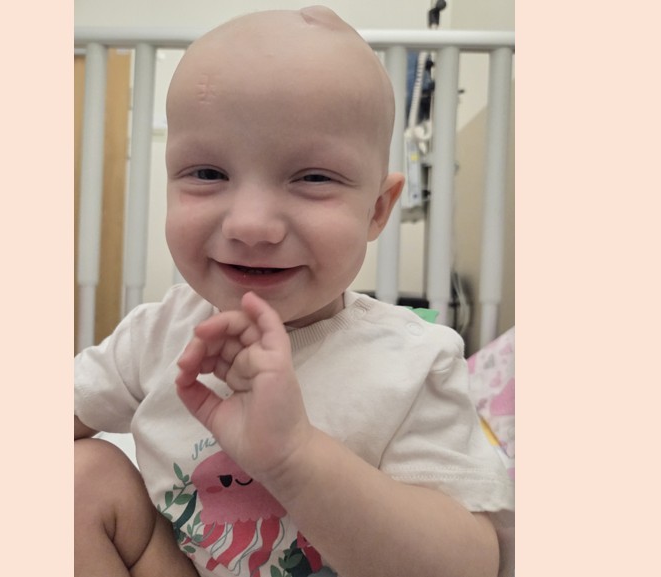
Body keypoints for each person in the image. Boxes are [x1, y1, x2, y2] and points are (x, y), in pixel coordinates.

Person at [75, 6, 514, 577]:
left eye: (313, 178)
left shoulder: (412, 364)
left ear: (377, 209)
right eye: (207, 174)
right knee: (82, 477)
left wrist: (295, 457)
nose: (250, 224)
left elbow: (472, 564)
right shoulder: (156, 333)